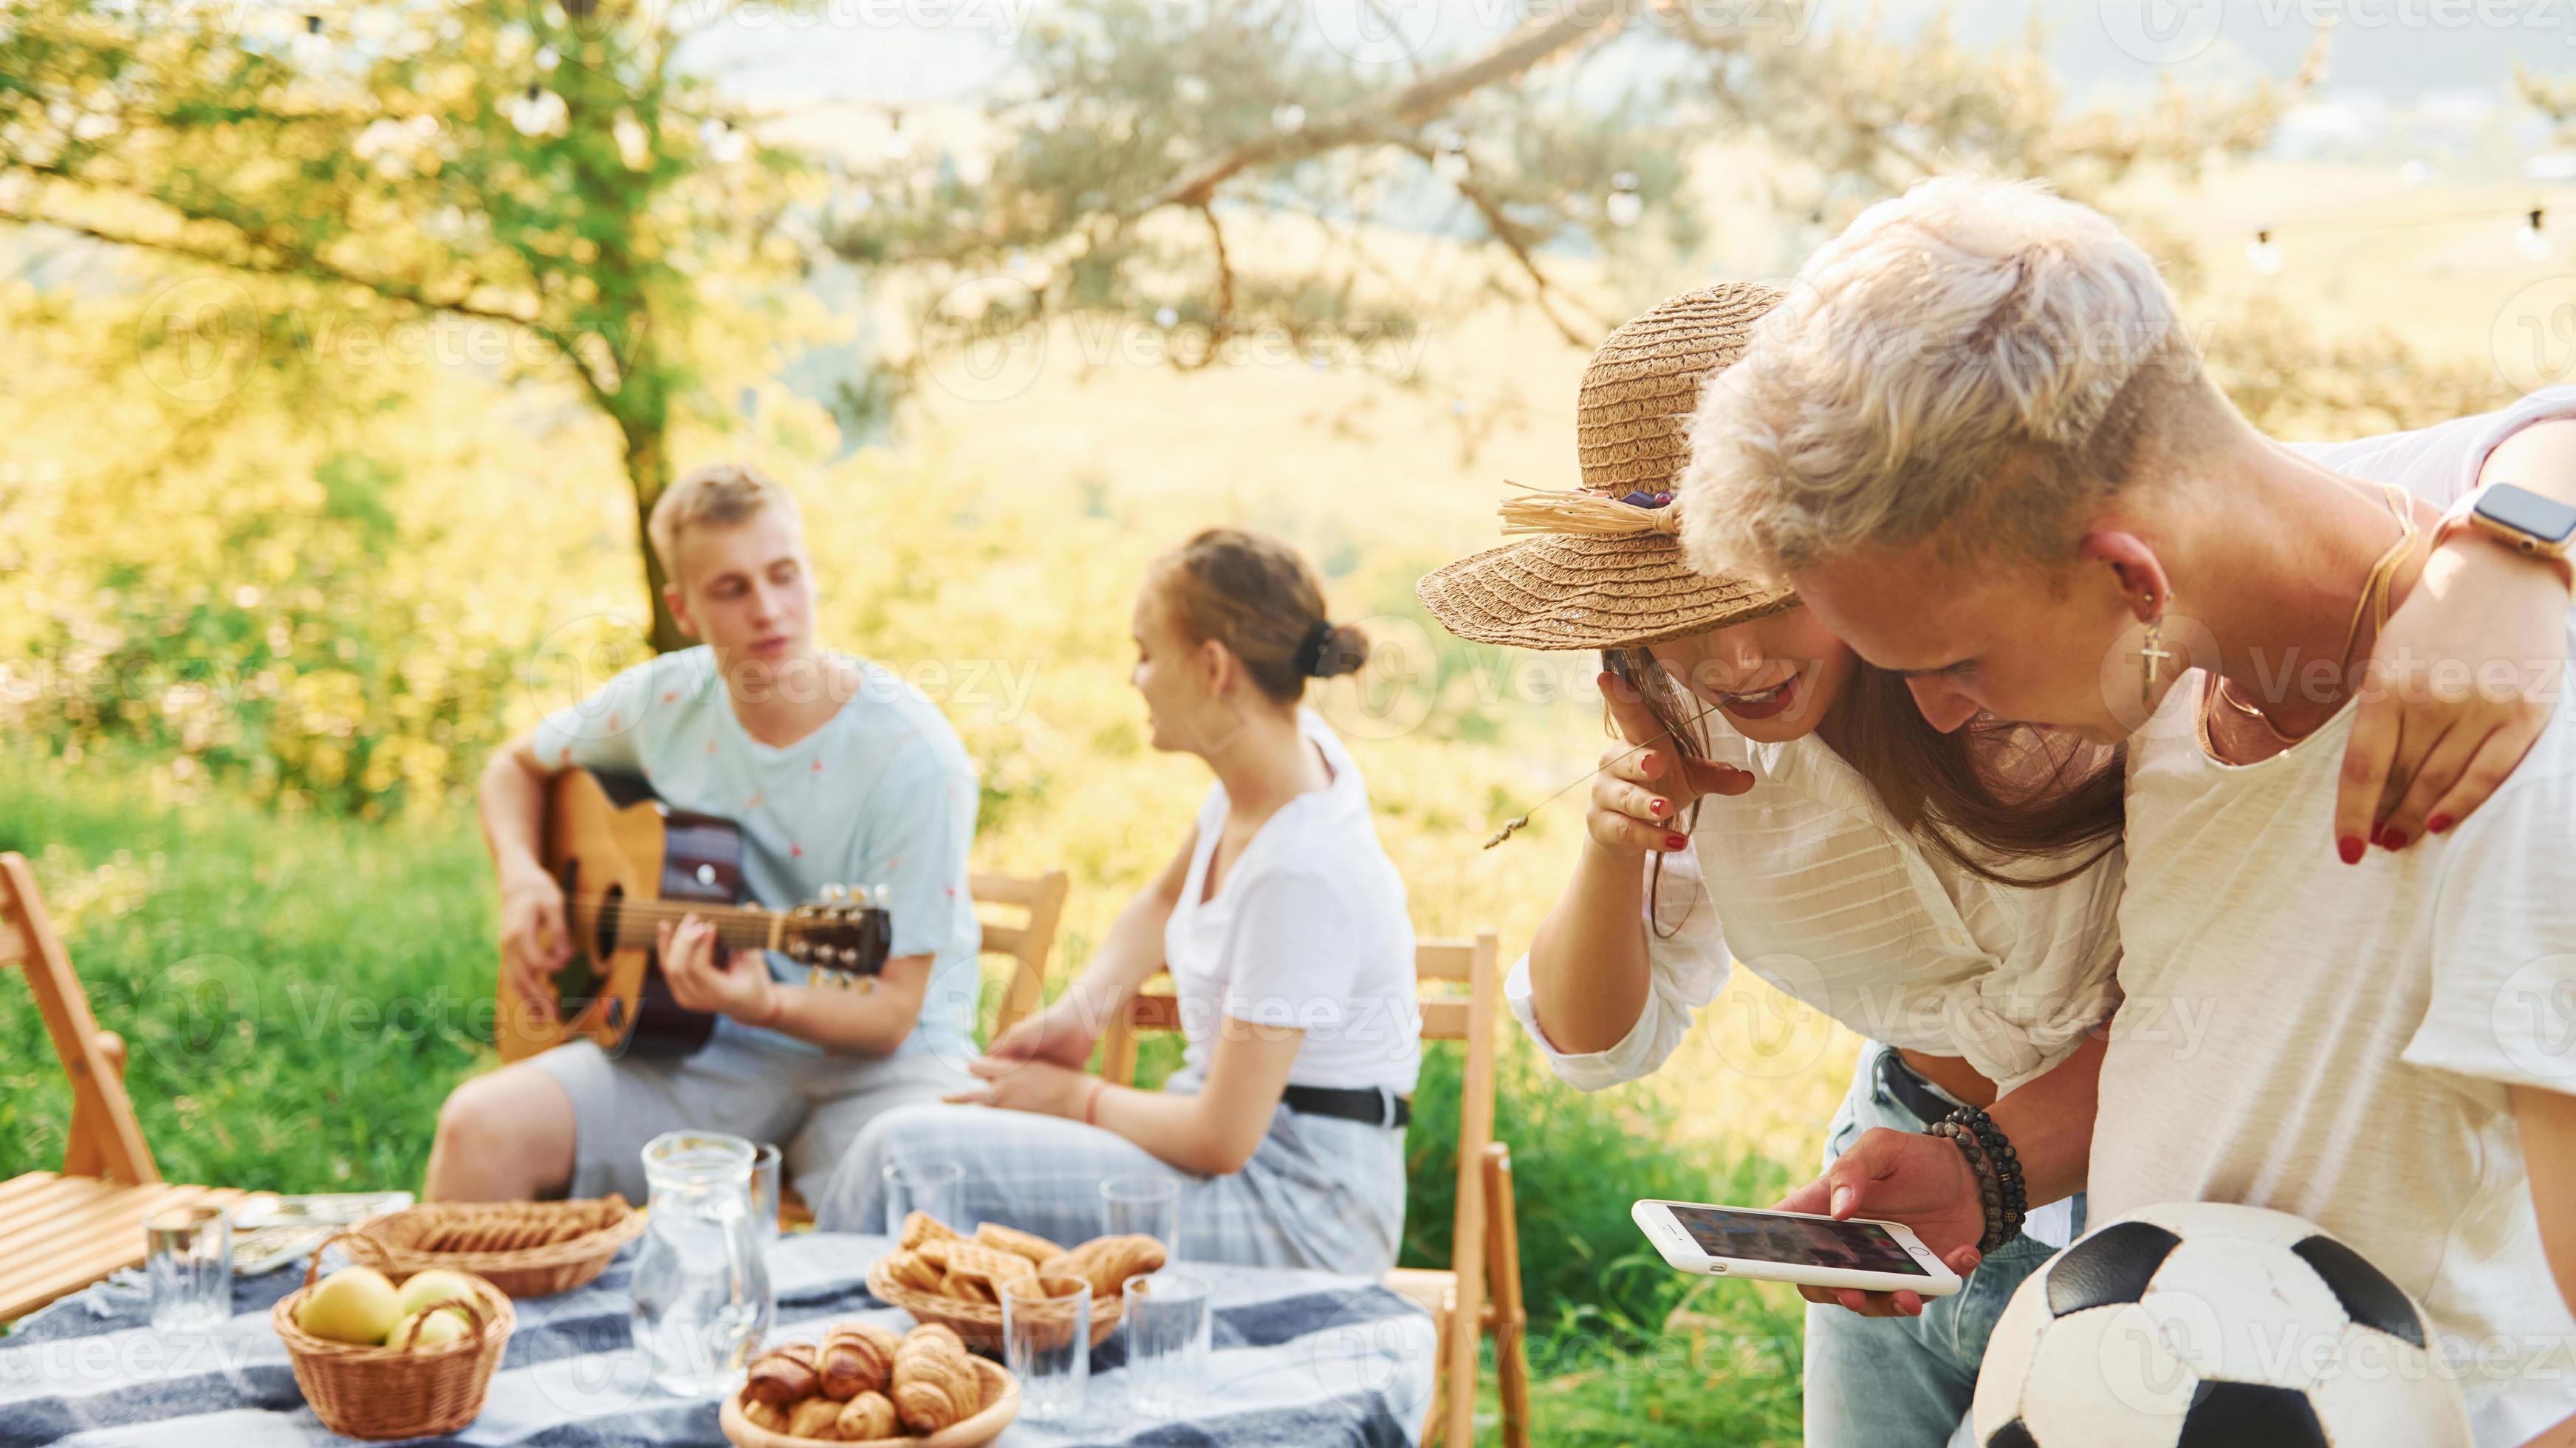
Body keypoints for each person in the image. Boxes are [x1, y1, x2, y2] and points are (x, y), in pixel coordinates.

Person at [1419, 284, 2574, 1448]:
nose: (1734, 655)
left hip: (2146, 1206)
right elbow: (1597, 1043)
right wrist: (1618, 848)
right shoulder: (1690, 731)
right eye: (1676, 611)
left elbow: (2519, 438)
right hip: (1928, 1163)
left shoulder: (2110, 576)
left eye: (1765, 594)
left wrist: (2508, 557)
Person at [816, 528, 1422, 1276]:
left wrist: (1074, 1097)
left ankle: (821, 1363)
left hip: (1301, 1211)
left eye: (1144, 651)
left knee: (899, 1156)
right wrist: (1080, 1014)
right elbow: (1165, 900)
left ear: (1212, 668)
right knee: (919, 1138)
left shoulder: (1303, 868)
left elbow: (1220, 1137)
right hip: (1239, 1162)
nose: (1133, 677)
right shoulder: (1276, 759)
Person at [423, 463, 984, 1207]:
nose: (769, 610)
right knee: (478, 1127)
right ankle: (455, 1323)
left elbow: (888, 1014)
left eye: (784, 575)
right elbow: (512, 768)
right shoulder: (662, 699)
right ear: (682, 609)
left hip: (889, 1068)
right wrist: (524, 878)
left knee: (910, 1200)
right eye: (732, 589)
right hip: (699, 1047)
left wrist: (767, 1003)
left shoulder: (911, 754)